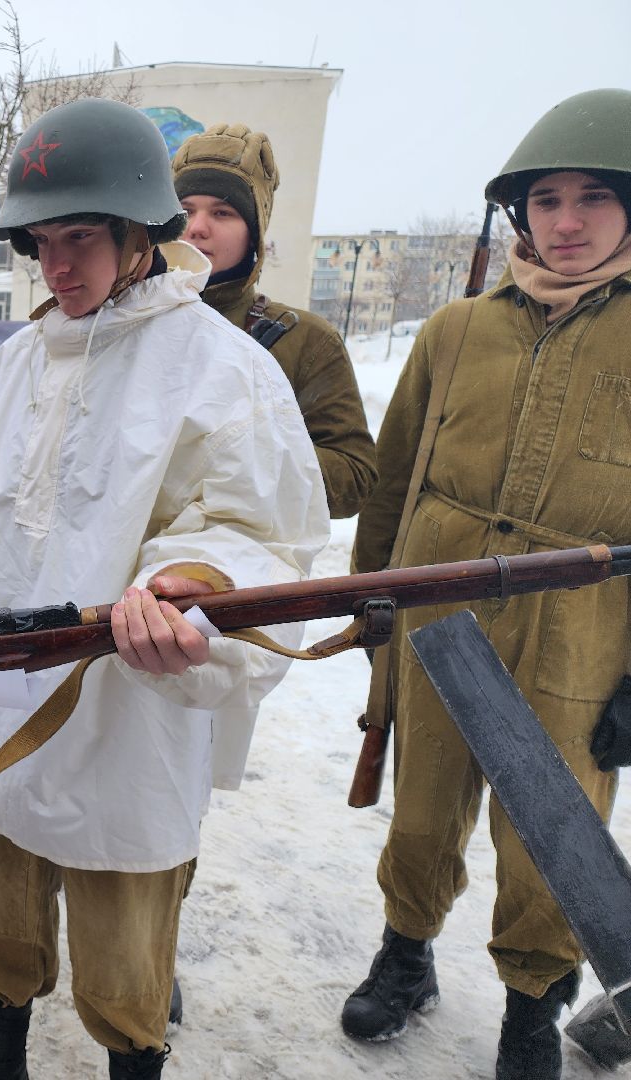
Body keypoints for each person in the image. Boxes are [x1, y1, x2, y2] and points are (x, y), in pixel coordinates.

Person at [0, 98, 327, 1079]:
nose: (58, 266)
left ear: (142, 231)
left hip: (133, 712)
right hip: (4, 714)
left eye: (81, 236)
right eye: (41, 242)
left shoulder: (222, 368)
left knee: (124, 961)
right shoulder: (11, 368)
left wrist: (189, 585)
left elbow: (264, 534)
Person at [342, 88, 631, 1080]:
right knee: (422, 811)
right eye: (547, 199)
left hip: (581, 632)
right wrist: (369, 599)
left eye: (593, 196)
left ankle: (529, 1013)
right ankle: (406, 955)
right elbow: (391, 480)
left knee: (552, 837)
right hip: (439, 605)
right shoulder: (456, 329)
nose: (567, 220)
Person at [172, 123, 377, 519]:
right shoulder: (130, 320)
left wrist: (247, 449)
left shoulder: (304, 340)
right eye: (184, 211)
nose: (197, 227)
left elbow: (354, 479)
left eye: (222, 212)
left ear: (255, 232)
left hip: (246, 565)